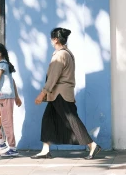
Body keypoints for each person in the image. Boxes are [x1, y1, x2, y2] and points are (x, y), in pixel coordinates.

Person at [32, 28, 101, 160]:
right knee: (48, 120)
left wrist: (42, 93)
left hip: (59, 94)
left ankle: (92, 145)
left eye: (52, 38)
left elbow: (53, 77)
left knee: (72, 120)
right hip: (60, 94)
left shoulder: (60, 55)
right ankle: (45, 150)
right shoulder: (67, 53)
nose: (51, 41)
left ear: (56, 39)